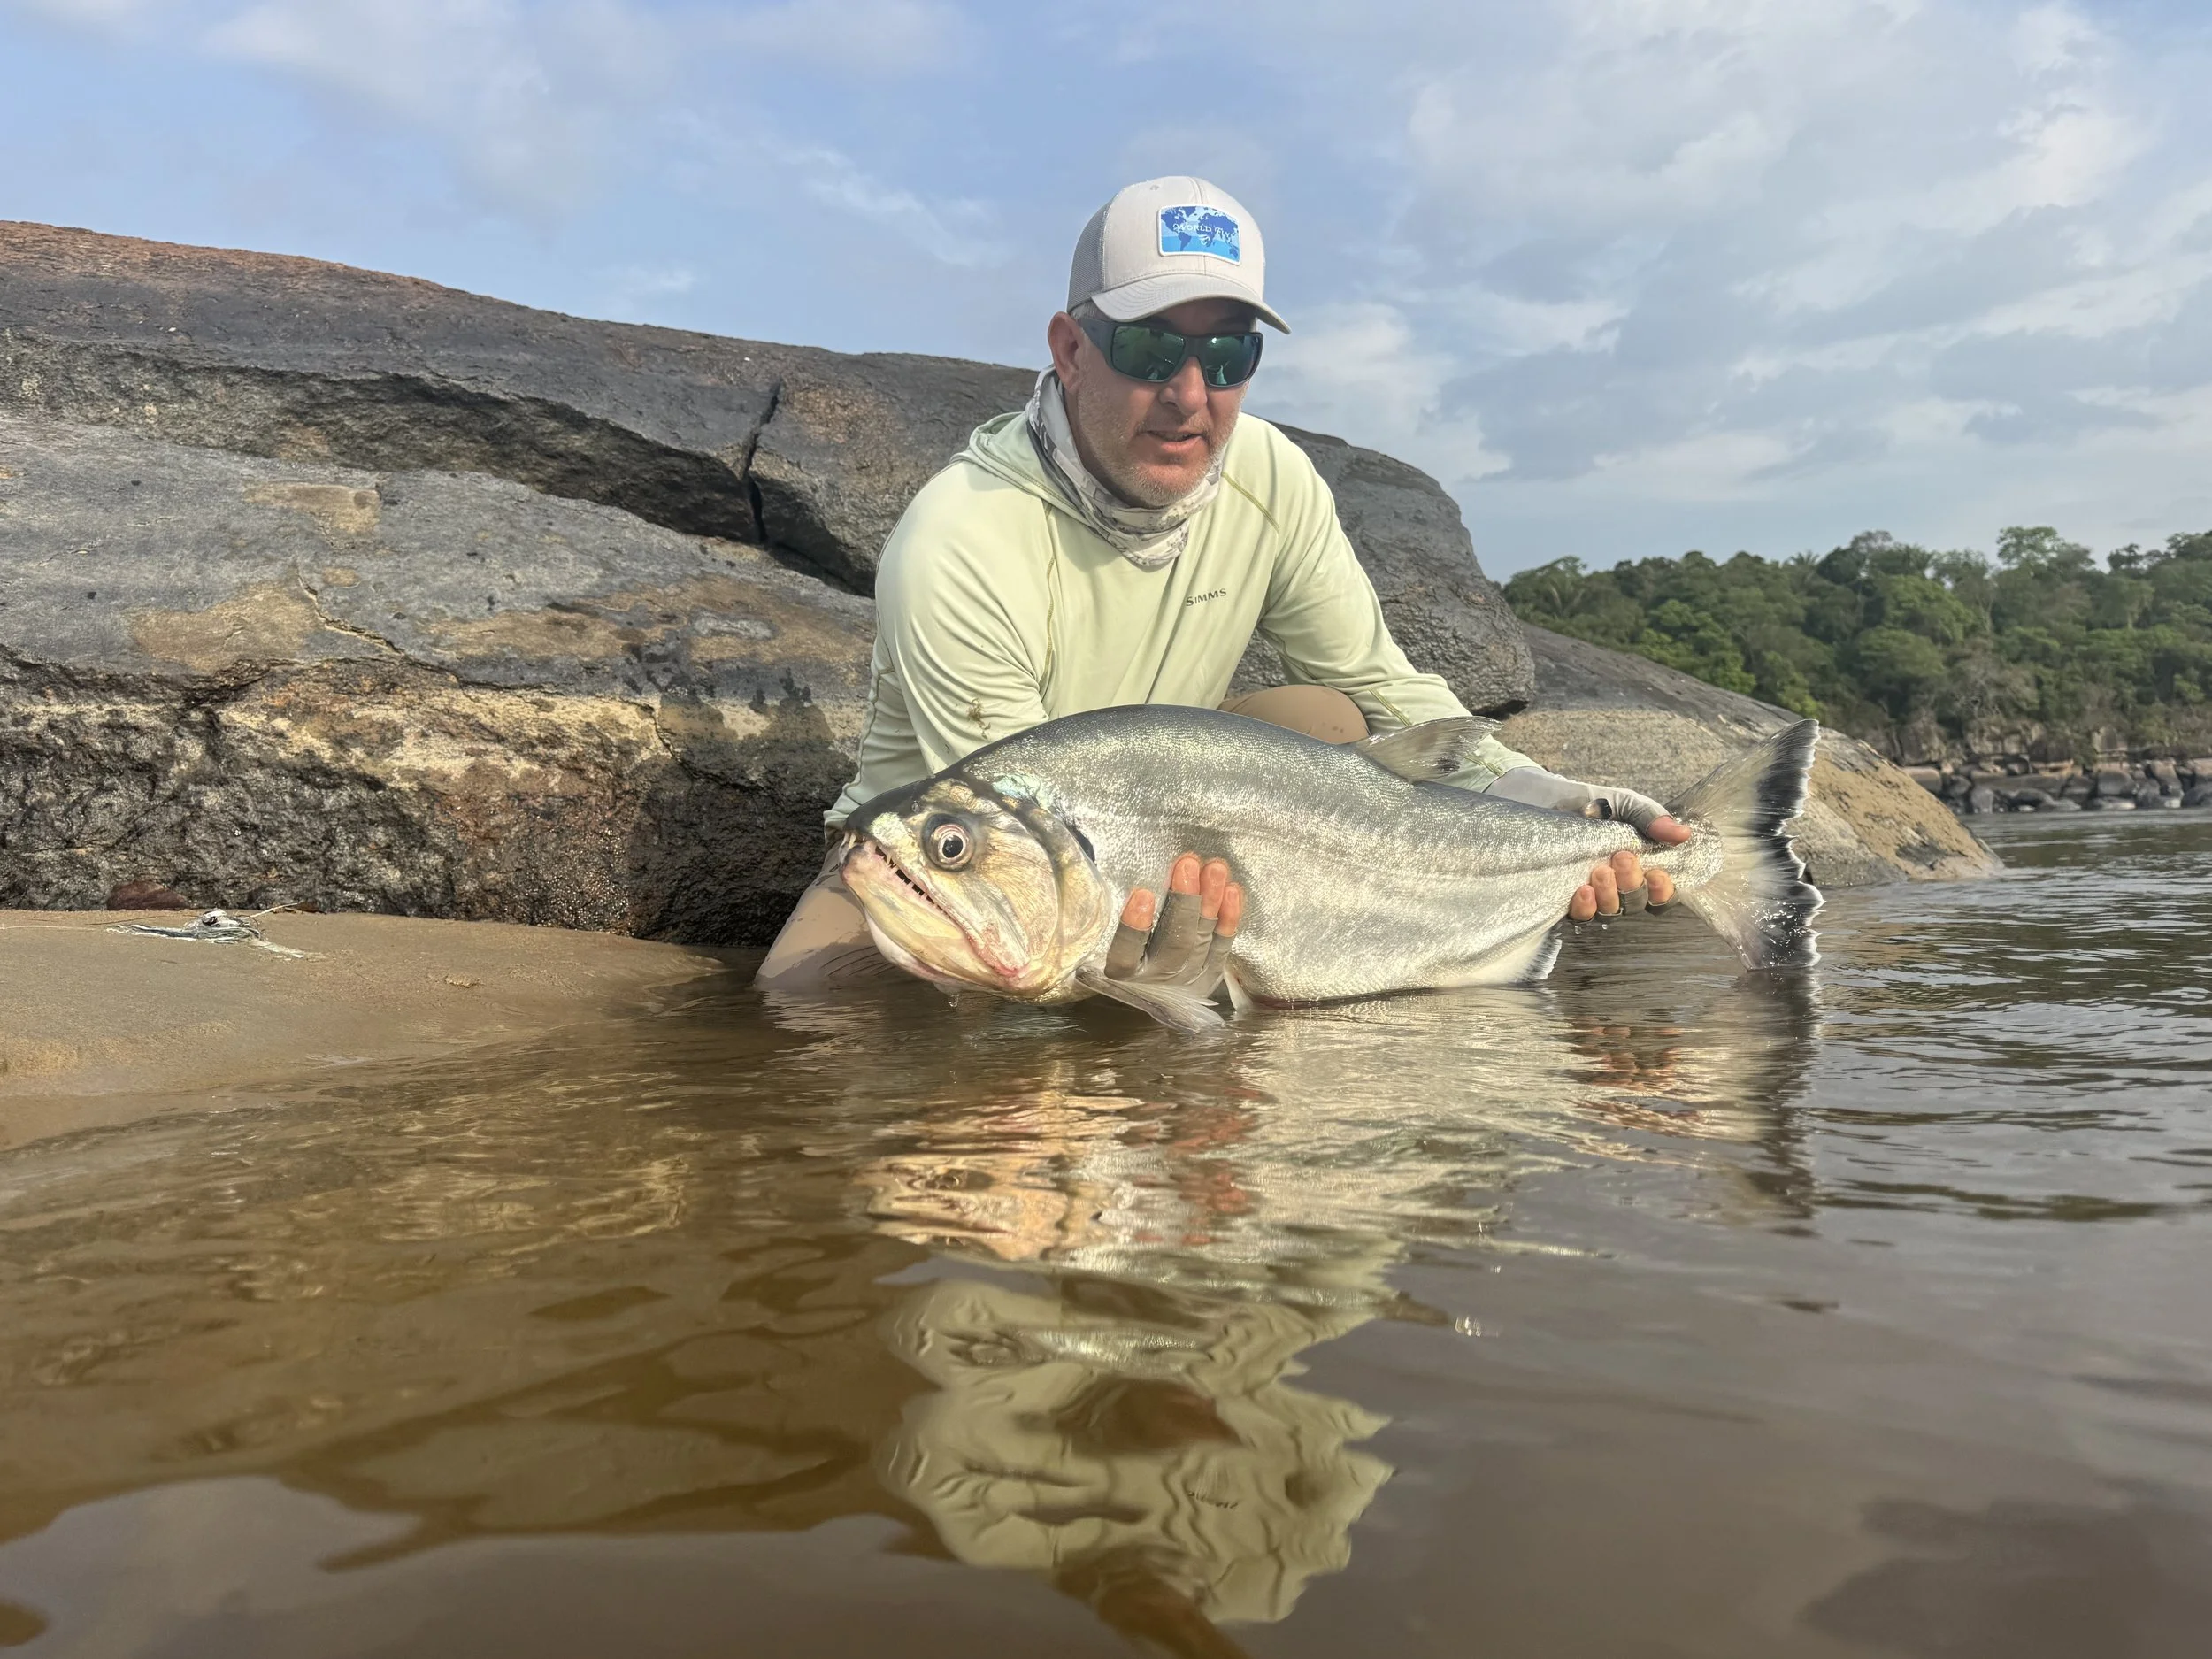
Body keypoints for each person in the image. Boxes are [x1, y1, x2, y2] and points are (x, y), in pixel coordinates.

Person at [759, 175, 1686, 992]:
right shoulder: (959, 540)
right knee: (809, 1030)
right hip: (950, 861)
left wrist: (1549, 801)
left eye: (1229, 355)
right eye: (1150, 351)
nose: (1190, 394)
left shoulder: (1270, 476)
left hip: (1166, 811)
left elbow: (1380, 690)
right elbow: (1026, 848)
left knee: (1326, 718)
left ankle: (1353, 953)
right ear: (1070, 350)